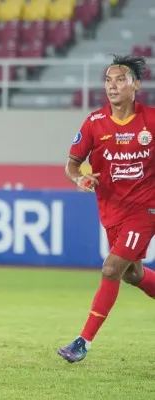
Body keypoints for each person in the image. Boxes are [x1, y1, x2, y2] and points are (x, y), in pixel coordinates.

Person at [59, 54, 155, 363]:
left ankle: (82, 342)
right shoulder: (94, 122)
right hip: (111, 211)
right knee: (132, 274)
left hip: (145, 209)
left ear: (135, 85)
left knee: (111, 268)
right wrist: (80, 179)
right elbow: (72, 164)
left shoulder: (151, 120)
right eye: (108, 80)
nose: (112, 86)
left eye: (120, 80)